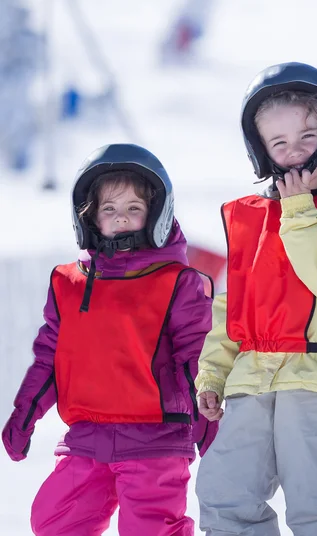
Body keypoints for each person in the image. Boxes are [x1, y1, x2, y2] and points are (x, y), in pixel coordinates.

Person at [195, 62, 317, 536]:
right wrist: (213, 373)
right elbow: (232, 307)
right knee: (225, 496)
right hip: (252, 377)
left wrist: (300, 211)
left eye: (306, 137)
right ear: (261, 151)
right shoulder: (254, 218)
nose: (294, 153)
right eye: (278, 144)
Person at [2, 143, 217, 536]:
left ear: (156, 215)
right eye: (110, 209)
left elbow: (195, 360)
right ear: (89, 217)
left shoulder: (176, 283)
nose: (121, 219)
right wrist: (24, 415)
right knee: (53, 522)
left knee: (151, 529)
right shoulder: (68, 283)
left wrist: (210, 430)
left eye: (134, 209)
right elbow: (49, 359)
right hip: (87, 438)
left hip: (156, 440)